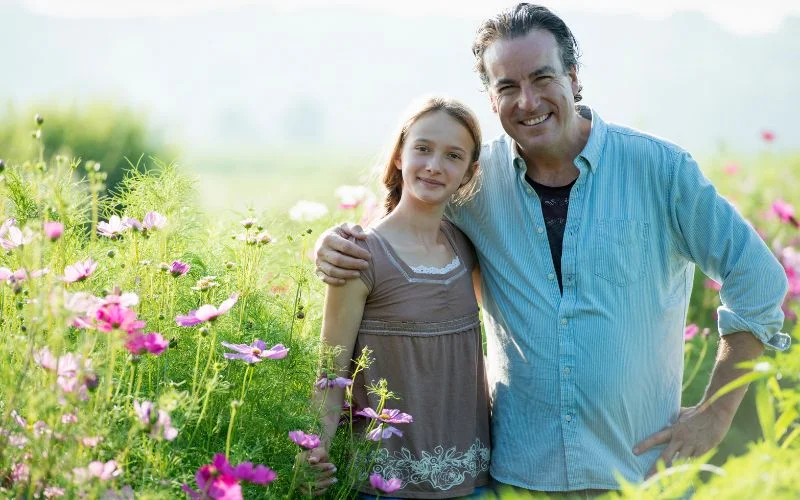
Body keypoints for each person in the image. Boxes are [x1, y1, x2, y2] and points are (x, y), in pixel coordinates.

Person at [314, 3, 790, 494]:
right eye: (506, 87)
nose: (527, 100)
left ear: (574, 78)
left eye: (542, 78)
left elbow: (758, 279)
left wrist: (715, 414)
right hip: (519, 478)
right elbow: (407, 224)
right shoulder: (475, 183)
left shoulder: (661, 170)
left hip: (642, 475)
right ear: (491, 98)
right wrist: (339, 244)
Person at [302, 96, 491, 498]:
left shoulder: (465, 248)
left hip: (472, 484)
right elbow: (330, 373)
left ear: (469, 173)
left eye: (452, 156)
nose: (434, 165)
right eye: (422, 148)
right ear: (400, 156)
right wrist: (312, 450)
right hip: (384, 487)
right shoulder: (360, 256)